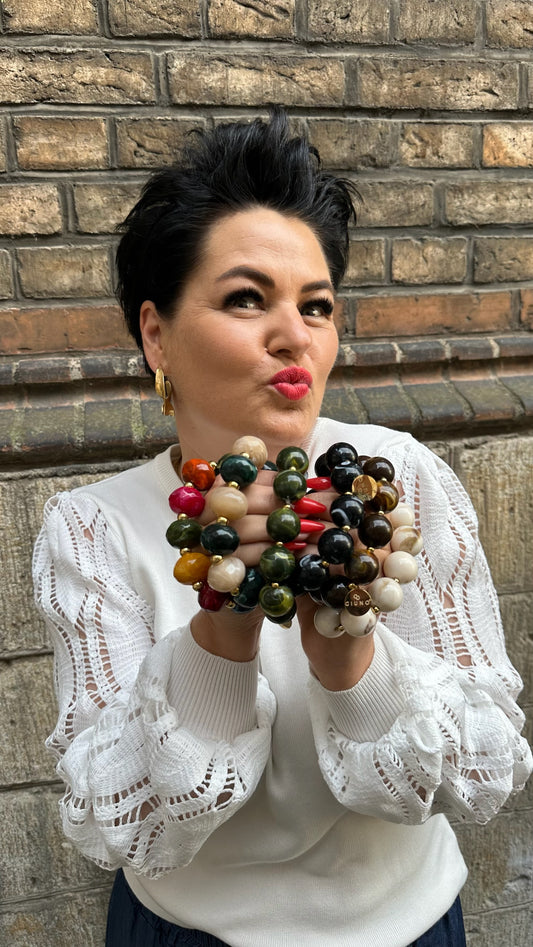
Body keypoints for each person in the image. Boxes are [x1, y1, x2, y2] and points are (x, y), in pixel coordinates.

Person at [33, 110, 531, 947]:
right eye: (245, 298)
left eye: (317, 305)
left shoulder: (396, 478)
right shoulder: (93, 528)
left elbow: (487, 764)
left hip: (411, 925)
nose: (293, 334)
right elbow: (114, 818)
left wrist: (352, 658)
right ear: (156, 334)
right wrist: (218, 636)